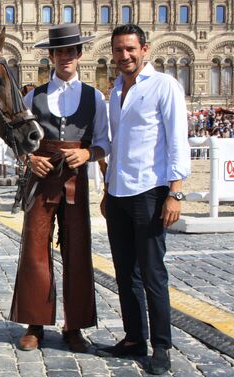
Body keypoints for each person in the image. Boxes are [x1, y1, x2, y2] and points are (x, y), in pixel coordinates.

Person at [10, 23, 110, 353]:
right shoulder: (32, 96)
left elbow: (103, 144)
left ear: (80, 55)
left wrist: (87, 153)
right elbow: (17, 140)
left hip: (75, 180)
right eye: (59, 52)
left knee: (78, 251)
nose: (65, 57)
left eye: (71, 51)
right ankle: (35, 323)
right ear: (51, 56)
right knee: (35, 249)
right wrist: (28, 160)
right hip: (41, 180)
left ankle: (75, 325)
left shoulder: (95, 97)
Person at [99, 24, 191, 375]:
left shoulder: (164, 85)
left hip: (150, 192)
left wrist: (175, 192)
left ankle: (162, 346)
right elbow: (117, 146)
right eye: (118, 50)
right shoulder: (116, 90)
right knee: (125, 272)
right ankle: (134, 337)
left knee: (153, 272)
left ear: (144, 49)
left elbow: (177, 141)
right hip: (119, 192)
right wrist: (107, 190)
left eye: (129, 49)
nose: (124, 56)